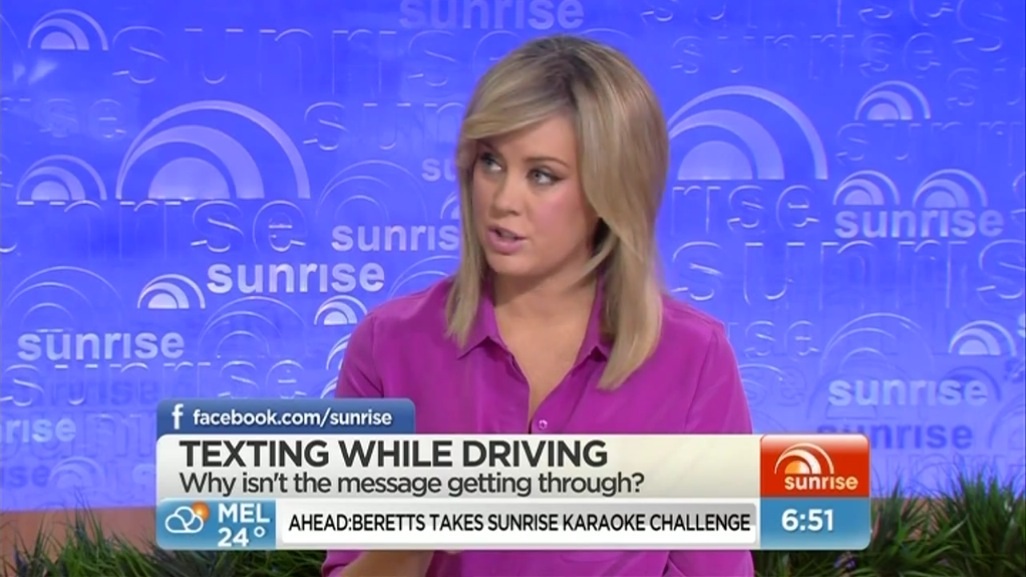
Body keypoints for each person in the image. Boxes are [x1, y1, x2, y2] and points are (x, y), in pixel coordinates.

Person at [323, 34, 754, 577]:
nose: (504, 200)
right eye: (490, 163)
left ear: (609, 191)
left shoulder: (693, 359)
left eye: (542, 175)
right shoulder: (389, 345)